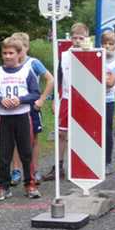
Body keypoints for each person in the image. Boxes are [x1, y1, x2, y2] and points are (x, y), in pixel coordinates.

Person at [0, 36, 41, 201]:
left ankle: (30, 184)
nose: (8, 56)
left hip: (23, 116)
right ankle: (3, 186)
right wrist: (0, 99)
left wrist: (20, 100)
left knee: (26, 152)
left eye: (11, 53)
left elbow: (35, 94)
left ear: (19, 53)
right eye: (5, 53)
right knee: (5, 154)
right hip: (4, 118)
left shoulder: (27, 71)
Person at [44, 22, 89, 181]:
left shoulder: (91, 54)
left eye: (81, 38)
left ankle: (83, 166)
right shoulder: (64, 56)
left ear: (86, 38)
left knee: (83, 134)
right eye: (75, 38)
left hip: (85, 101)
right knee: (62, 133)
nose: (78, 41)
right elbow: (58, 79)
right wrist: (54, 100)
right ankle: (58, 166)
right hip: (67, 99)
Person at [9, 32, 54, 185]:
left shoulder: (34, 63)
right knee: (15, 138)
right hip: (15, 107)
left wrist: (42, 99)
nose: (17, 53)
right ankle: (16, 171)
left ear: (26, 48)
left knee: (33, 139)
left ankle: (33, 170)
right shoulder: (10, 65)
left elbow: (51, 80)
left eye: (19, 50)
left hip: (32, 107)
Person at [101, 30, 115, 175]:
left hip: (108, 100)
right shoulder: (97, 58)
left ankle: (107, 161)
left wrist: (97, 76)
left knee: (107, 131)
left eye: (111, 44)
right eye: (104, 43)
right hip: (94, 99)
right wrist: (104, 77)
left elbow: (111, 82)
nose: (107, 46)